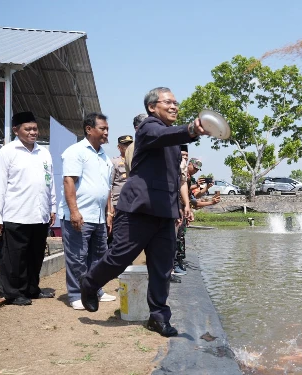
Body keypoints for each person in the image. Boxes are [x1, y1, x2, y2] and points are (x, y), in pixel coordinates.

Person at [80, 87, 207, 337]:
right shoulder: (149, 128)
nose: (174, 106)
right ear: (152, 107)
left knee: (162, 267)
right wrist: (191, 129)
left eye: (176, 102)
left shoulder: (169, 139)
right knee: (120, 257)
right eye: (168, 102)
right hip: (139, 209)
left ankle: (158, 317)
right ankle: (90, 282)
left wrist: (179, 207)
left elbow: (172, 177)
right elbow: (163, 135)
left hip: (164, 213)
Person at [0, 111, 57, 305]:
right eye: (28, 129)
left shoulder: (44, 153)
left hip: (39, 213)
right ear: (16, 130)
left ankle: (32, 288)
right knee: (14, 258)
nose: (33, 132)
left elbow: (49, 181)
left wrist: (52, 206)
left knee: (35, 255)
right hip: (15, 214)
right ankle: (14, 292)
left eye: (35, 128)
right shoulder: (7, 152)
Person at [59, 112, 116, 310]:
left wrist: (109, 213)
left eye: (107, 128)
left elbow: (106, 188)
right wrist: (74, 212)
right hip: (79, 215)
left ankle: (95, 290)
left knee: (99, 256)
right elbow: (69, 182)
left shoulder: (105, 157)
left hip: (99, 217)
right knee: (77, 256)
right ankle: (75, 294)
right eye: (103, 128)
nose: (106, 132)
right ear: (89, 129)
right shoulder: (76, 152)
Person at [173, 154, 220, 276]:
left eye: (198, 169)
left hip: (183, 209)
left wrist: (205, 190)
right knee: (175, 237)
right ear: (189, 164)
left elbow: (194, 198)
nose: (195, 171)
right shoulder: (180, 175)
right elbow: (184, 191)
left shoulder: (190, 179)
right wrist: (196, 187)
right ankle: (174, 263)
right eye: (194, 168)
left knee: (180, 237)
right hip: (176, 209)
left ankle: (178, 260)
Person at [108, 135, 133, 245]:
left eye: (130, 144)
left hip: (133, 203)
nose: (128, 147)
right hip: (118, 203)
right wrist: (110, 206)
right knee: (117, 233)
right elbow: (109, 184)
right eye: (125, 144)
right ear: (119, 147)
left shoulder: (136, 161)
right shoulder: (114, 162)